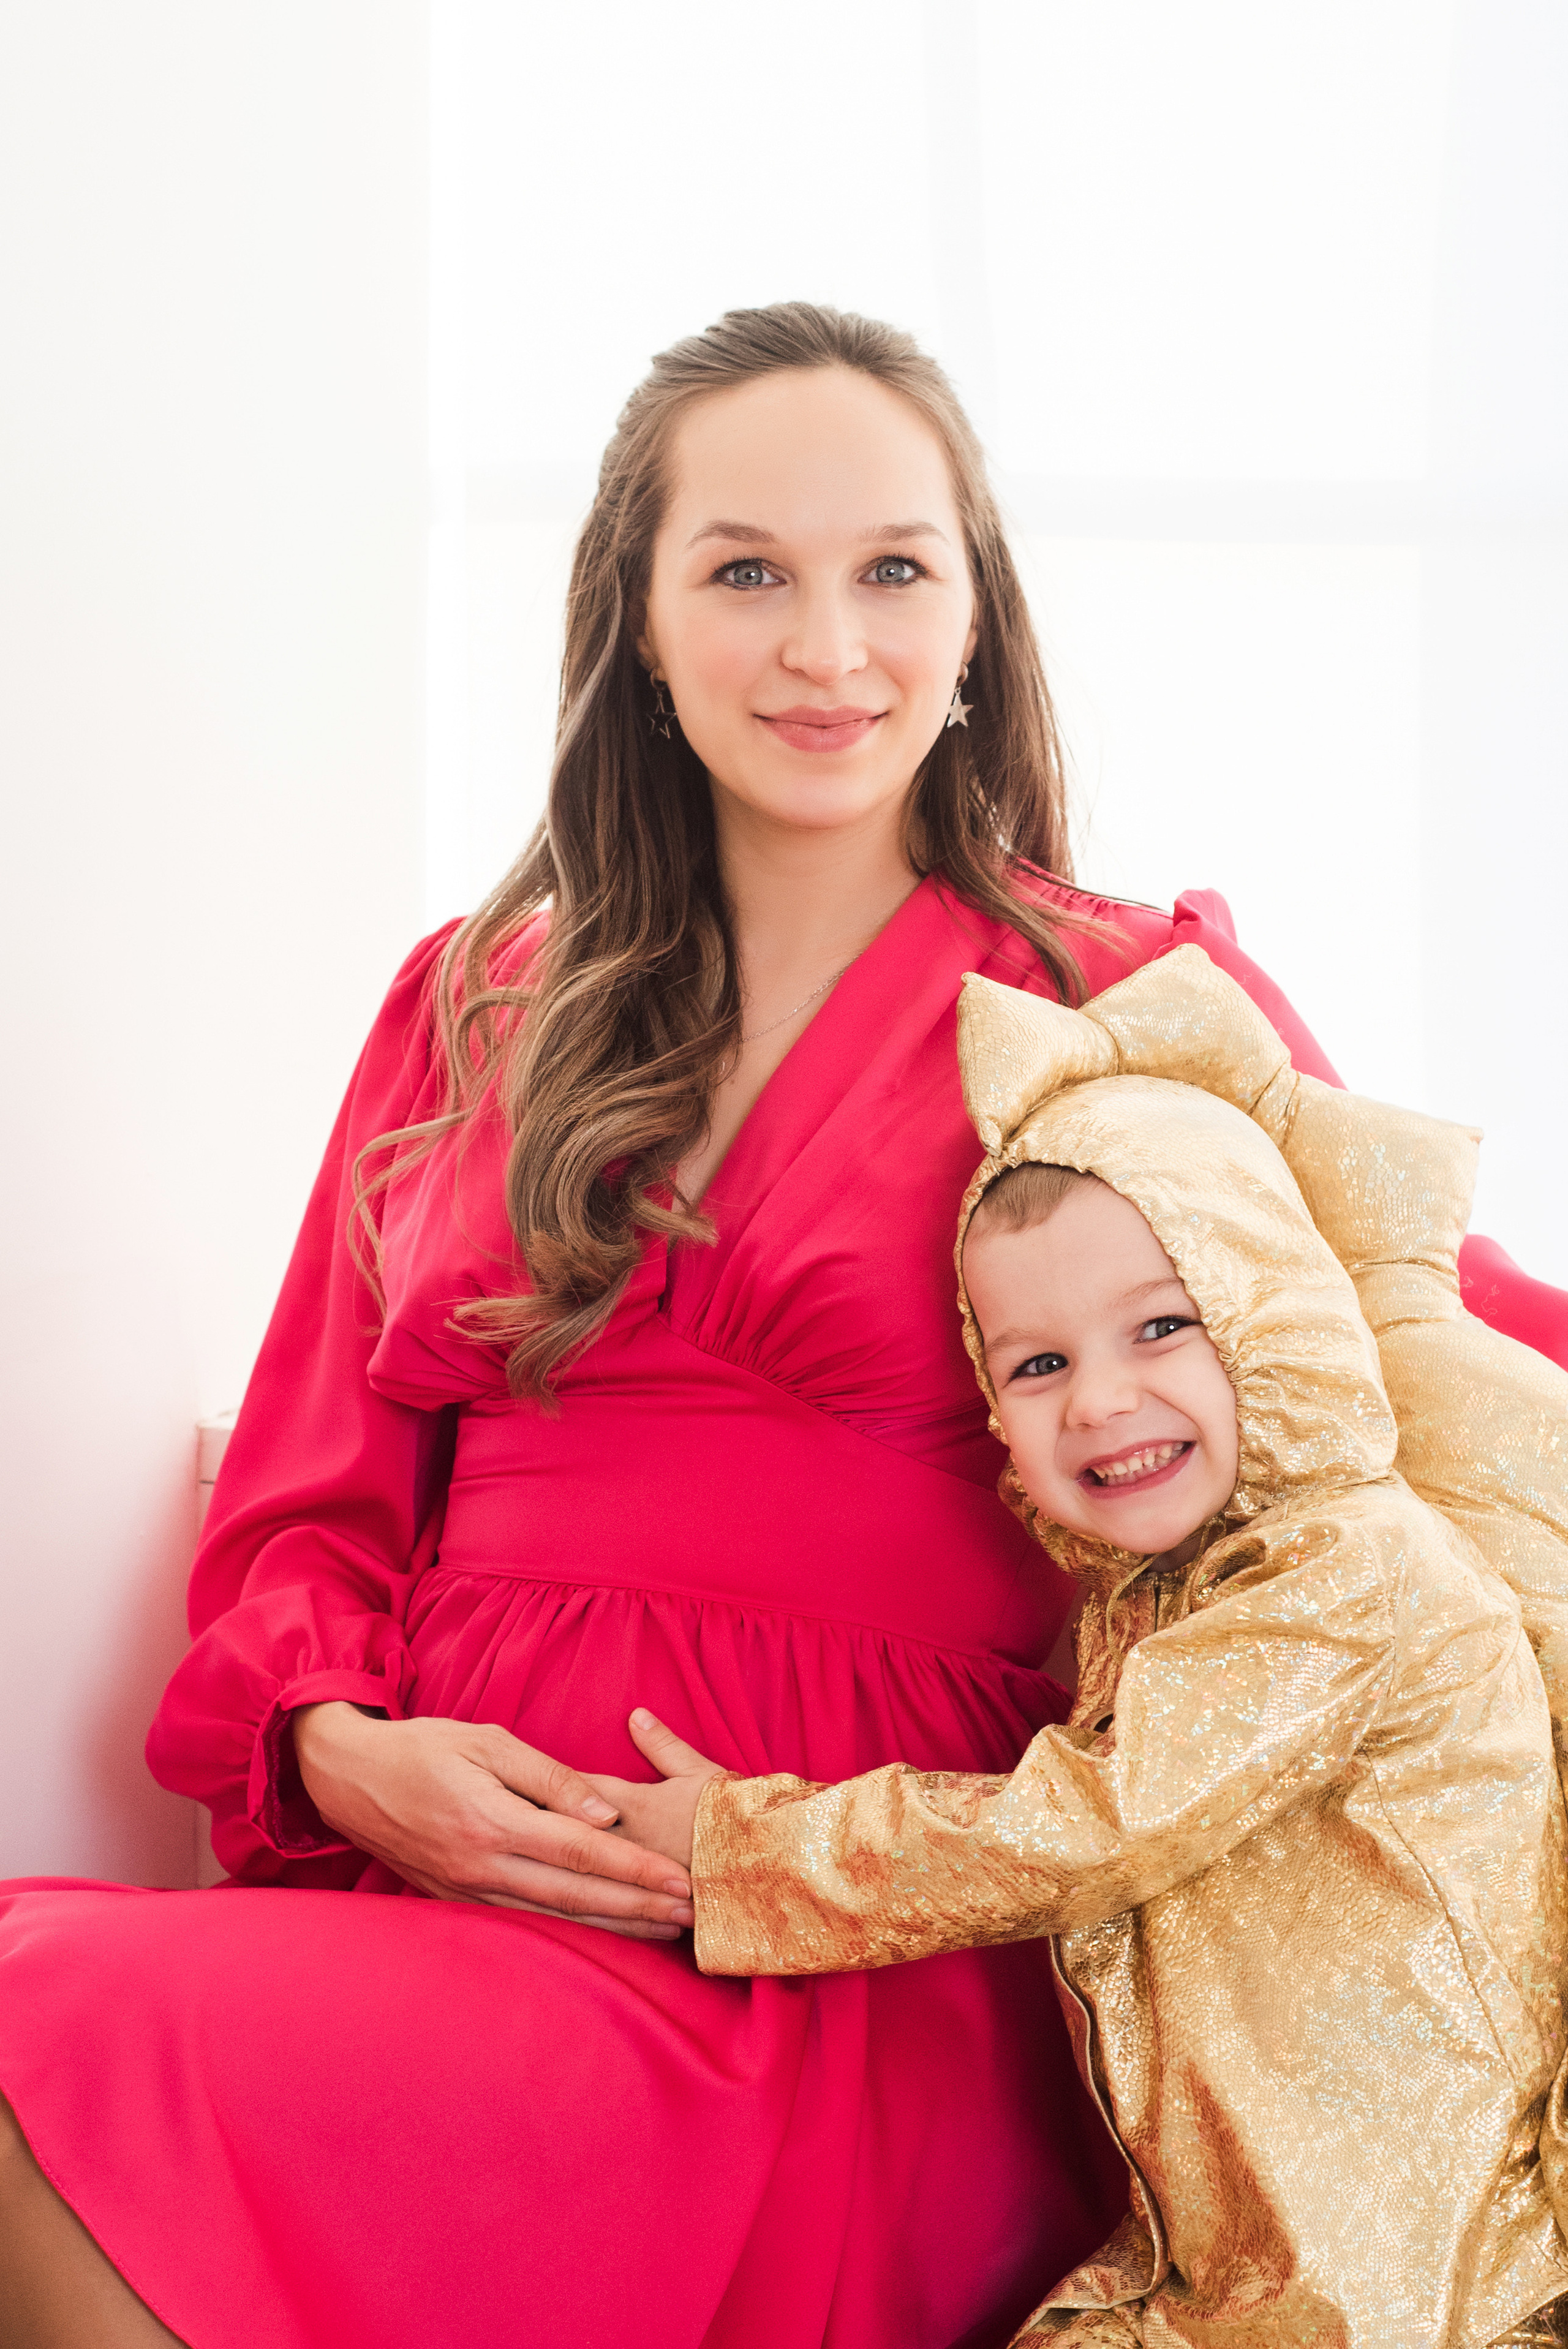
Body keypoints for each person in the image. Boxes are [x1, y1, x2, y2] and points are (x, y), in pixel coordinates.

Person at [0, 303, 1564, 2349]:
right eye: (746, 571)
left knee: (44, 2021)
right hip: (451, 1904)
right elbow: (312, 1503)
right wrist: (335, 1745)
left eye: (892, 570)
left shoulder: (1133, 1007)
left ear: (977, 615)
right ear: (640, 622)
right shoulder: (469, 1002)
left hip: (845, 1949)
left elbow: (1431, 1358)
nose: (828, 647)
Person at [606, 949, 1568, 2348]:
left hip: (1416, 2288)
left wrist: (742, 1847)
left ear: (1273, 1322)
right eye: (1035, 1364)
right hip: (1235, 2264)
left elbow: (1089, 1825)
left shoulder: (1348, 1571)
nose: (1101, 1402)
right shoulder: (1163, 1595)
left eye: (1164, 1328)